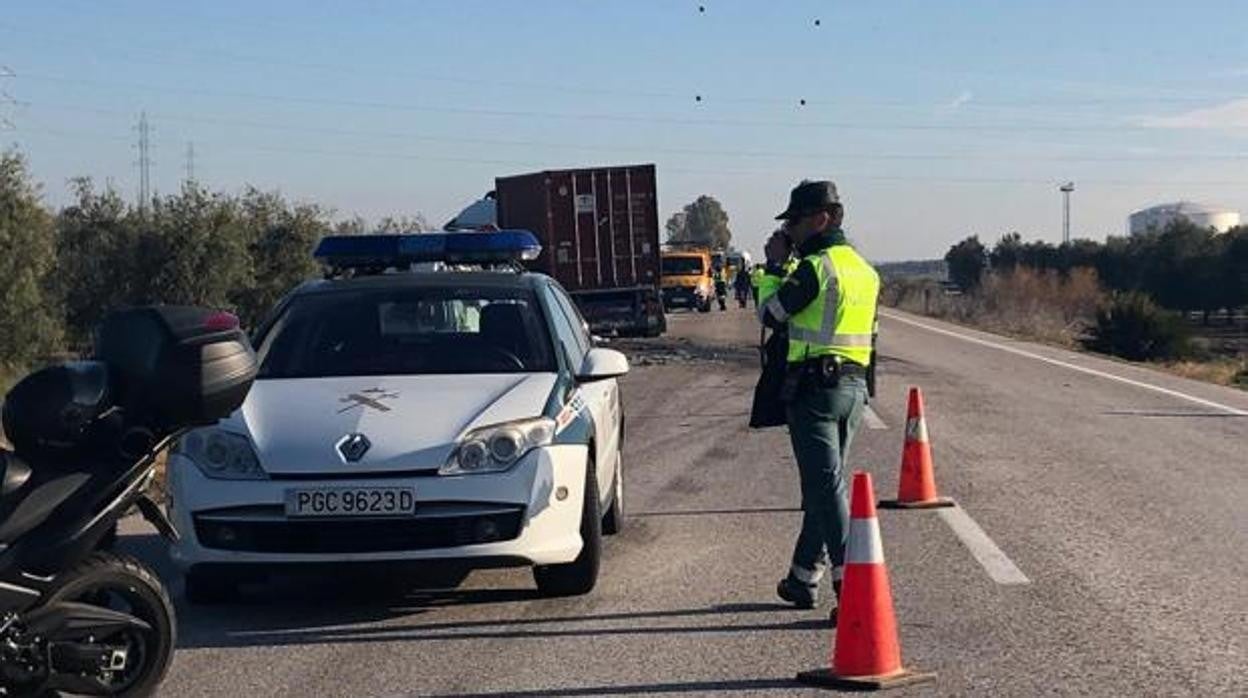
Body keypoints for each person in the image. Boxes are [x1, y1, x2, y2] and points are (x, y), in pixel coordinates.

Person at [757, 180, 880, 619]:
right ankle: (802, 576)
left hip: (813, 389)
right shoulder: (865, 271)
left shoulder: (816, 269)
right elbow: (871, 339)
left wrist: (773, 268)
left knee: (826, 487)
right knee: (825, 487)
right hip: (853, 389)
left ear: (822, 219)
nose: (790, 229)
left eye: (795, 220)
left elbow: (770, 315)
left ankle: (852, 587)